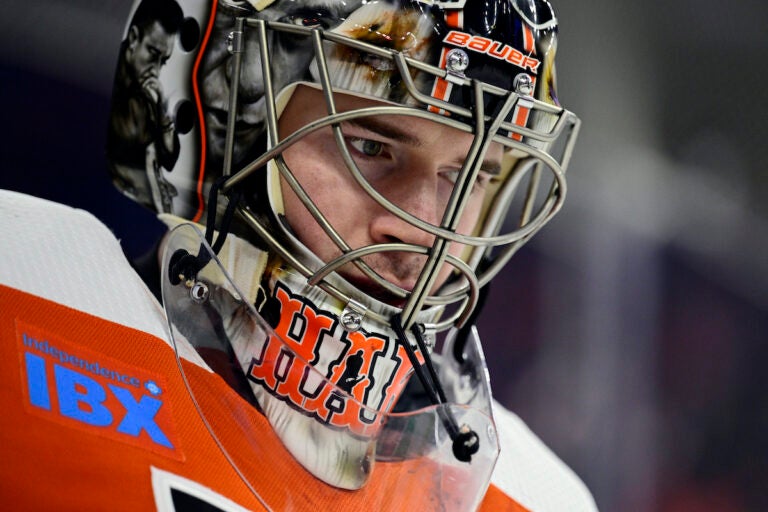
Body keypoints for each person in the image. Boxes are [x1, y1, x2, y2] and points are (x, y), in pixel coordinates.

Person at [0, 0, 597, 510]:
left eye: (469, 174)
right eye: (370, 145)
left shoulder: (532, 496)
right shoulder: (22, 290)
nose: (423, 229)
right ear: (224, 125)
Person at [107, 0, 184, 213]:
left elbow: (169, 159)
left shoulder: (148, 93)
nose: (156, 70)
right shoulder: (110, 82)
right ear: (133, 38)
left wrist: (161, 112)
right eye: (152, 53)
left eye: (164, 61)